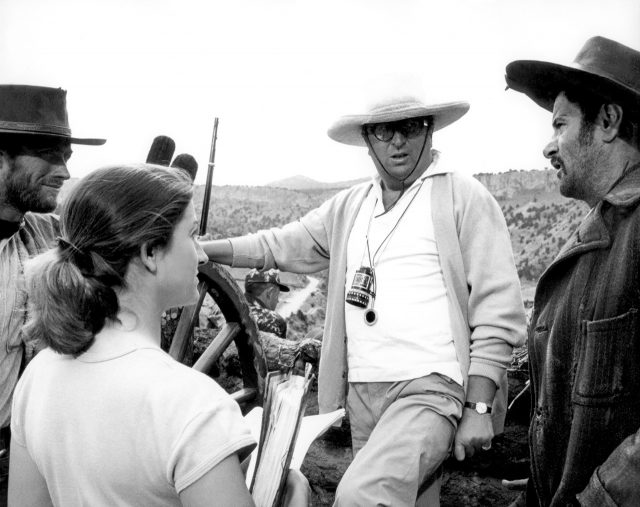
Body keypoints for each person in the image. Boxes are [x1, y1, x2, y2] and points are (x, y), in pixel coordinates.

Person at [202, 92, 526, 505]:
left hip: (429, 386)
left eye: (411, 128)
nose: (398, 142)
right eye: (384, 130)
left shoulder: (462, 197)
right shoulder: (353, 206)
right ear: (367, 139)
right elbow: (279, 244)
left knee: (362, 496)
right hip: (363, 392)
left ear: (429, 130)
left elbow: (497, 305)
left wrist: (479, 406)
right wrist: (208, 250)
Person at [7, 164, 308, 506]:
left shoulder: (38, 376)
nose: (202, 253)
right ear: (150, 252)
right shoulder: (194, 404)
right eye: (192, 235)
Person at [505, 36, 640, 506]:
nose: (549, 146)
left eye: (560, 123)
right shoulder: (605, 226)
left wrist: (597, 498)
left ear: (607, 120)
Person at [0, 84, 105, 472]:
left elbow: (115, 238)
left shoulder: (47, 234)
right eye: (48, 156)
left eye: (66, 156)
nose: (64, 172)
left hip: (24, 458)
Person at [244, 268, 290, 338]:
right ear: (270, 293)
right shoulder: (274, 321)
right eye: (277, 295)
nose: (278, 301)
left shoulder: (230, 310)